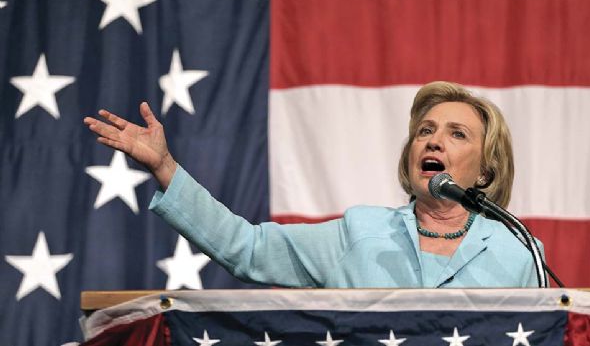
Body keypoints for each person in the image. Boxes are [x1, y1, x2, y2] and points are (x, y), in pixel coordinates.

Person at [84, 81, 543, 288]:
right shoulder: (360, 232)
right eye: (425, 130)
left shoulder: (519, 251)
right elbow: (248, 248)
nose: (434, 140)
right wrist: (166, 166)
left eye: (456, 134)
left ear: (486, 170)